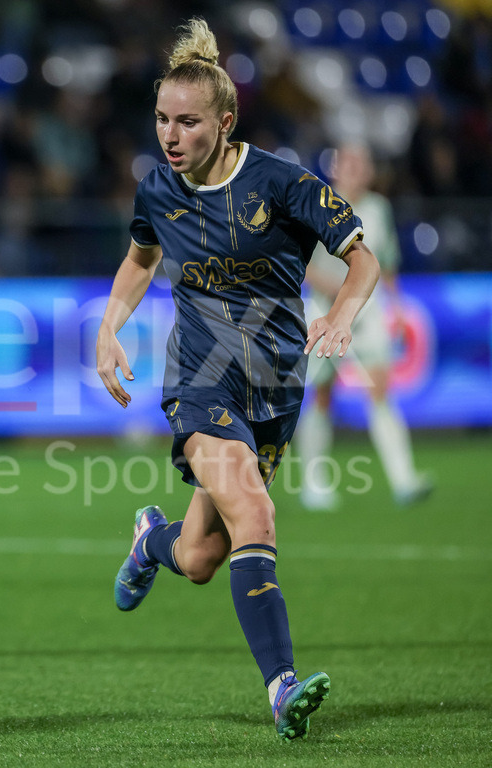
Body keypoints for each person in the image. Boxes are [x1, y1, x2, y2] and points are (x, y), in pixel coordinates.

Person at [95, 19, 380, 740]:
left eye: (187, 122)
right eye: (162, 119)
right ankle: (283, 688)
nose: (170, 135)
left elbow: (363, 260)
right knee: (255, 515)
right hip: (201, 383)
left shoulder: (283, 184)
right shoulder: (157, 190)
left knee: (198, 558)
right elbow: (140, 258)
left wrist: (341, 315)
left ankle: (149, 542)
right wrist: (108, 328)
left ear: (224, 122)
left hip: (276, 390)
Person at [298, 143, 433, 510]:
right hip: (325, 309)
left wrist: (398, 307)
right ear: (336, 168)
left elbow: (385, 262)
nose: (355, 169)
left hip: (367, 309)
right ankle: (313, 484)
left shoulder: (378, 208)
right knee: (322, 395)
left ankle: (404, 480)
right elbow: (301, 262)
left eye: (361, 163)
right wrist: (334, 287)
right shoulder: (317, 203)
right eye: (349, 163)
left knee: (380, 390)